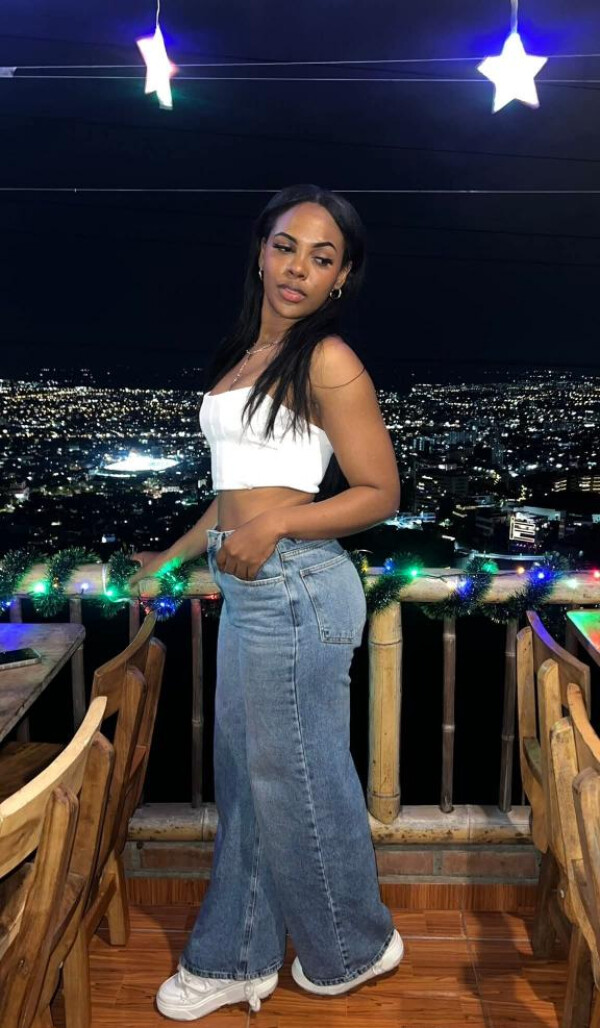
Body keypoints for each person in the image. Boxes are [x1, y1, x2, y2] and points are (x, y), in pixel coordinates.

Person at [129, 184, 403, 1021]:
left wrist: (278, 522)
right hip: (256, 586)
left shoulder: (328, 359)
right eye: (286, 246)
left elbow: (379, 491)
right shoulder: (247, 353)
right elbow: (235, 490)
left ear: (341, 278)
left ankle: (354, 946)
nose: (298, 268)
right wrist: (175, 556)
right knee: (251, 782)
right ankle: (240, 956)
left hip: (297, 585)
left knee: (296, 781)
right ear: (260, 252)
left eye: (322, 258)